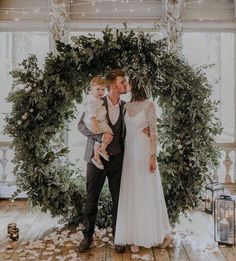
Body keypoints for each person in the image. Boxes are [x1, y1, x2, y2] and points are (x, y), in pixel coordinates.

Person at [114, 79, 172, 253]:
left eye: (128, 83)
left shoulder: (149, 105)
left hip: (144, 152)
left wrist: (153, 156)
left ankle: (150, 234)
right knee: (132, 192)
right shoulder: (126, 106)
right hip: (130, 155)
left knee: (145, 191)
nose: (125, 86)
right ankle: (134, 235)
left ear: (136, 86)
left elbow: (153, 132)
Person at [78, 69, 127, 253]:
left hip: (117, 159)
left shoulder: (125, 106)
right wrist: (99, 137)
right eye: (123, 82)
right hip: (96, 158)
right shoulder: (97, 101)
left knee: (118, 200)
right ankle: (87, 237)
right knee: (91, 199)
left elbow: (130, 130)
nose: (125, 85)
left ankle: (118, 237)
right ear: (112, 85)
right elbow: (81, 125)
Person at [83, 76, 113, 170]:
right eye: (98, 89)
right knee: (109, 132)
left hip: (96, 122)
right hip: (95, 122)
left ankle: (96, 157)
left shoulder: (96, 99)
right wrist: (94, 124)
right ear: (91, 89)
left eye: (103, 89)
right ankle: (102, 149)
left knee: (98, 140)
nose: (101, 92)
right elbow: (91, 114)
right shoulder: (92, 100)